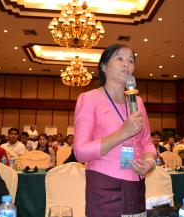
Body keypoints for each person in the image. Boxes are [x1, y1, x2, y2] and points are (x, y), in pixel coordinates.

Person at [73, 44, 156, 217]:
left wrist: (149, 163)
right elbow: (80, 151)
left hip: (136, 186)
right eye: (120, 58)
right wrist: (123, 133)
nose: (127, 64)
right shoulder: (89, 99)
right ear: (103, 66)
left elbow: (147, 143)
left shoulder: (137, 102)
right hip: (104, 185)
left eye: (131, 60)